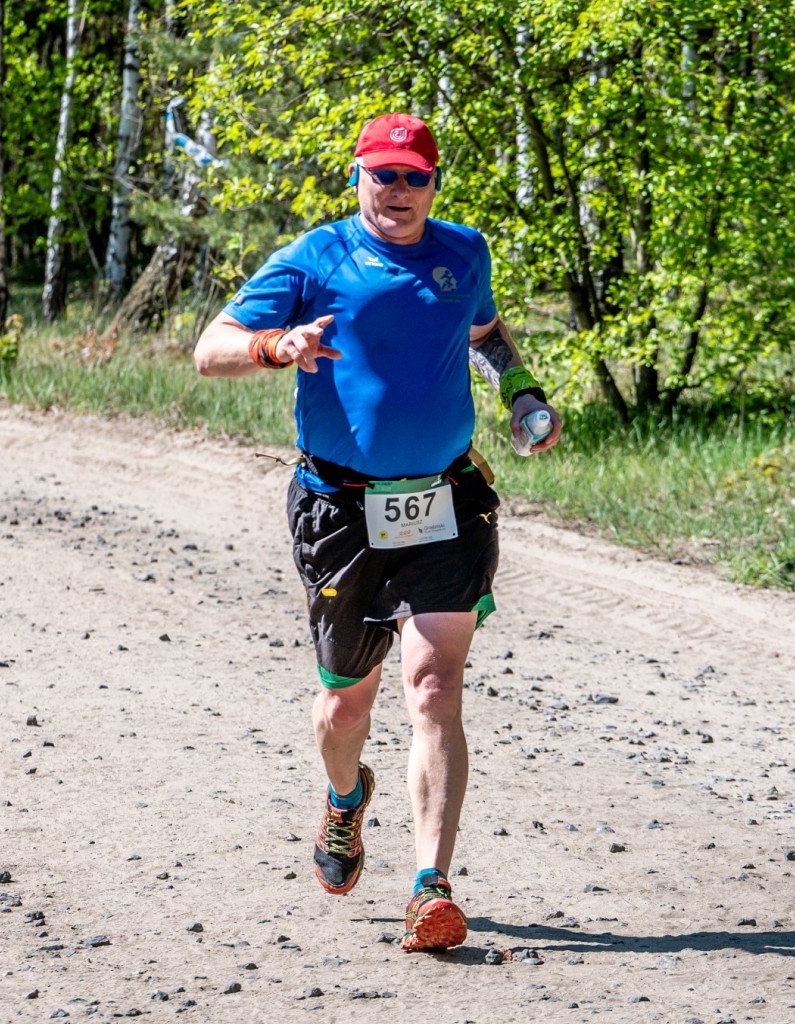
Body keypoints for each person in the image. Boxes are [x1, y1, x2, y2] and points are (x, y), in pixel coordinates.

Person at [193, 112, 561, 953]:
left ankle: (432, 887)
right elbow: (210, 349)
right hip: (340, 510)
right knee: (343, 704)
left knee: (433, 686)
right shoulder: (315, 257)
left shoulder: (464, 252)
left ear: (434, 183)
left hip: (446, 500)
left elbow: (485, 333)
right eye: (382, 174)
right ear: (357, 176)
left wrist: (521, 393)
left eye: (414, 176)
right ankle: (345, 799)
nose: (398, 190)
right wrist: (277, 345)